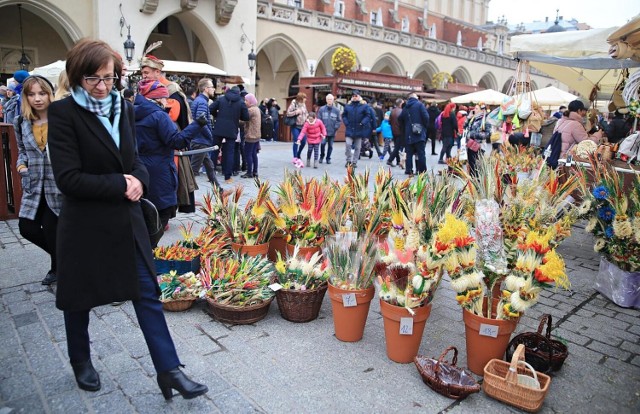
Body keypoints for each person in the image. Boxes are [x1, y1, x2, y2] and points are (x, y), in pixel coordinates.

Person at [47, 39, 207, 400]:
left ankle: (169, 370)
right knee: (79, 298)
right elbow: (68, 178)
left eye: (109, 78)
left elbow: (136, 160)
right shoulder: (63, 114)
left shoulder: (123, 107)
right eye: (93, 79)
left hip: (126, 221)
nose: (103, 87)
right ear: (76, 77)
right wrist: (121, 183)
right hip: (85, 224)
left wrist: (139, 179)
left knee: (147, 293)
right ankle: (80, 360)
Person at [134, 79, 209, 245]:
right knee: (162, 212)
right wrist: (197, 124)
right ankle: (147, 251)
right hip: (160, 169)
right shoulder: (159, 116)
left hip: (140, 168)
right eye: (164, 98)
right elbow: (176, 141)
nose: (166, 102)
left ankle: (142, 247)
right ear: (157, 98)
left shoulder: (132, 112)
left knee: (145, 210)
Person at [14, 75, 62, 286]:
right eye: (31, 94)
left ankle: (57, 268)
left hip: (57, 184)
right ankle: (64, 262)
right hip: (33, 184)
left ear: (50, 94)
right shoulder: (21, 121)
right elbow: (22, 150)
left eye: (42, 93)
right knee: (27, 228)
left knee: (52, 229)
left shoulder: (61, 119)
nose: (37, 99)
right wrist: (21, 165)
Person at [210, 85, 249, 184]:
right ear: (239, 93)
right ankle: (227, 177)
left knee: (214, 151)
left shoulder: (221, 99)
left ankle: (211, 174)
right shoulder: (240, 102)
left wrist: (218, 115)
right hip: (231, 129)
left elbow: (210, 109)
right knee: (229, 152)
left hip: (219, 128)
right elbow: (246, 117)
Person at [190, 78, 221, 189]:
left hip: (200, 139)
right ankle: (182, 198)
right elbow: (201, 121)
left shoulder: (200, 100)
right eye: (212, 86)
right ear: (206, 89)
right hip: (200, 140)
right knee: (192, 171)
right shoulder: (202, 102)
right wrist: (210, 135)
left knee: (209, 166)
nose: (213, 89)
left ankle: (219, 190)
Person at [399, 93, 429, 174]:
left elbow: (400, 119)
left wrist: (406, 128)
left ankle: (409, 170)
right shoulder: (420, 105)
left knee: (409, 154)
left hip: (409, 134)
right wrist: (424, 127)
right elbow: (426, 117)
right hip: (419, 133)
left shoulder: (405, 107)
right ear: (415, 97)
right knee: (421, 153)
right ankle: (421, 170)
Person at [342, 90, 370, 168]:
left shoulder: (364, 106)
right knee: (348, 144)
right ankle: (348, 160)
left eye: (356, 96)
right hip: (350, 128)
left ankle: (354, 162)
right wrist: (346, 123)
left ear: (359, 97)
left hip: (359, 128)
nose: (354, 97)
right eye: (353, 96)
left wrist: (362, 123)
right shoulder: (348, 106)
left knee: (358, 147)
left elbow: (368, 116)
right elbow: (344, 115)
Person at [317, 93, 341, 164]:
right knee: (323, 144)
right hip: (323, 132)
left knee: (330, 145)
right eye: (328, 99)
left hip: (332, 131)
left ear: (333, 100)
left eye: (331, 99)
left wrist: (335, 127)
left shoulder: (336, 110)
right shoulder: (321, 109)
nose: (329, 100)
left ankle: (328, 158)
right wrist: (321, 128)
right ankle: (322, 156)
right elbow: (319, 119)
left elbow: (339, 120)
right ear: (326, 100)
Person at [242, 93, 261, 178]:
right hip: (256, 135)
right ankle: (255, 172)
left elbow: (243, 120)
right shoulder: (256, 108)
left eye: (246, 100)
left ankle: (249, 172)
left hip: (250, 135)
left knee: (248, 154)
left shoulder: (250, 110)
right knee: (253, 154)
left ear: (250, 101)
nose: (245, 102)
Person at [287, 92, 309, 165]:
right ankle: (295, 157)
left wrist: (308, 118)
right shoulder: (294, 103)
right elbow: (288, 113)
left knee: (303, 142)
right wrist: (296, 112)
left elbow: (306, 113)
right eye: (304, 98)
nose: (305, 99)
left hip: (303, 126)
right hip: (295, 125)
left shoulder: (304, 104)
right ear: (301, 98)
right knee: (296, 140)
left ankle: (298, 153)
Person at [387, 98, 405, 167]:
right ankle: (390, 160)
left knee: (396, 146)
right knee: (397, 147)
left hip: (393, 131)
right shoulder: (402, 111)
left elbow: (389, 121)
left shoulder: (392, 111)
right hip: (400, 131)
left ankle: (398, 161)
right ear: (400, 104)